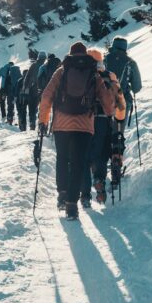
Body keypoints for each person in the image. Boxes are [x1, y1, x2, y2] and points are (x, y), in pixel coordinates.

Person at [38, 42, 116, 220]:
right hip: (84, 126)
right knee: (78, 163)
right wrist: (110, 112)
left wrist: (43, 119)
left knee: (62, 159)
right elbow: (106, 99)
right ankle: (72, 205)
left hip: (61, 125)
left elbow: (46, 96)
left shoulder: (62, 71)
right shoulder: (93, 72)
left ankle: (62, 195)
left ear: (71, 54)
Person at [80, 49, 127, 207]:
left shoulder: (81, 75)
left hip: (84, 121)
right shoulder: (110, 76)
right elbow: (120, 102)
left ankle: (85, 195)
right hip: (104, 121)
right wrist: (119, 119)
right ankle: (99, 179)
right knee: (102, 155)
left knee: (84, 158)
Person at [105, 37, 142, 129]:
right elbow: (137, 87)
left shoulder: (105, 60)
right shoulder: (130, 62)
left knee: (103, 132)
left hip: (104, 101)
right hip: (122, 101)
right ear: (125, 47)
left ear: (113, 46)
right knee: (118, 133)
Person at [18, 51, 46, 131]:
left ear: (38, 57)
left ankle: (32, 123)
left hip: (33, 90)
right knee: (42, 107)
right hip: (44, 90)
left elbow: (27, 77)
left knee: (32, 107)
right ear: (45, 58)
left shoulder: (34, 65)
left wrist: (25, 88)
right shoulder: (46, 65)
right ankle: (42, 124)